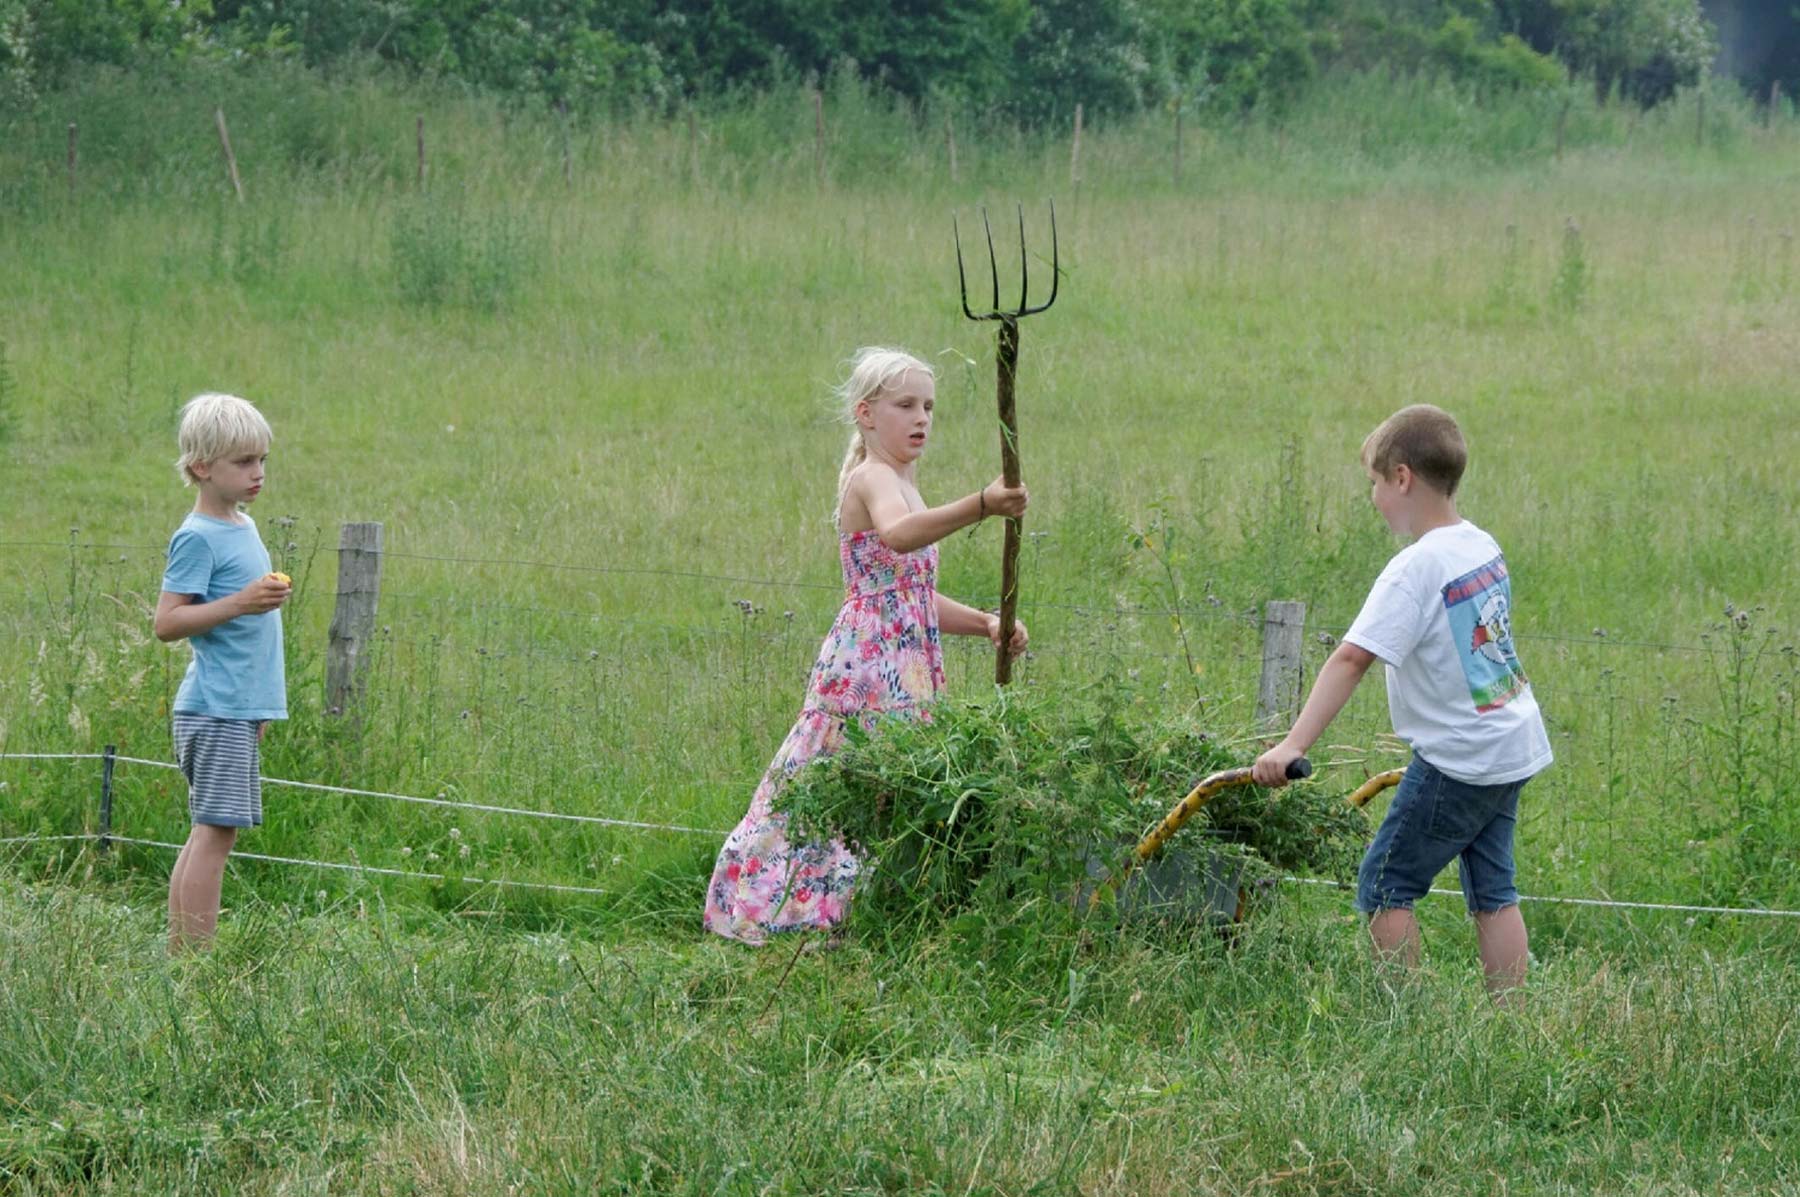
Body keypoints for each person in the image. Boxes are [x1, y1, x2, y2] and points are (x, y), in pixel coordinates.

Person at [704, 347, 1029, 944]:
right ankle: (771, 903)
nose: (921, 418)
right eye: (905, 405)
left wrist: (986, 623)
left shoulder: (905, 481)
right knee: (833, 781)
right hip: (865, 669)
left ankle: (865, 910)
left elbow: (913, 597)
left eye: (928, 406)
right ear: (866, 414)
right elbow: (899, 538)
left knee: (885, 790)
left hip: (905, 667)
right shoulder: (872, 476)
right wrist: (982, 505)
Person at [1253, 404, 1551, 999]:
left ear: (1402, 477)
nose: (1374, 497)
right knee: (1494, 890)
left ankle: (1404, 1019)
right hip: (1511, 742)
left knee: (1385, 884)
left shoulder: (1414, 569)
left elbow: (1351, 659)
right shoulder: (1481, 545)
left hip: (1459, 758)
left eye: (1374, 482)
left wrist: (1292, 745)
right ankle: (1512, 1020)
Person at [153, 393, 290, 953]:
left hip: (234, 709)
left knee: (208, 831)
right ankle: (194, 960)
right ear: (202, 467)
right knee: (216, 834)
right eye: (243, 462)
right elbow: (167, 622)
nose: (258, 473)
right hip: (214, 709)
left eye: (262, 460)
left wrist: (257, 710)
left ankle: (184, 953)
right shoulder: (198, 536)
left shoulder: (242, 525)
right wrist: (241, 602)